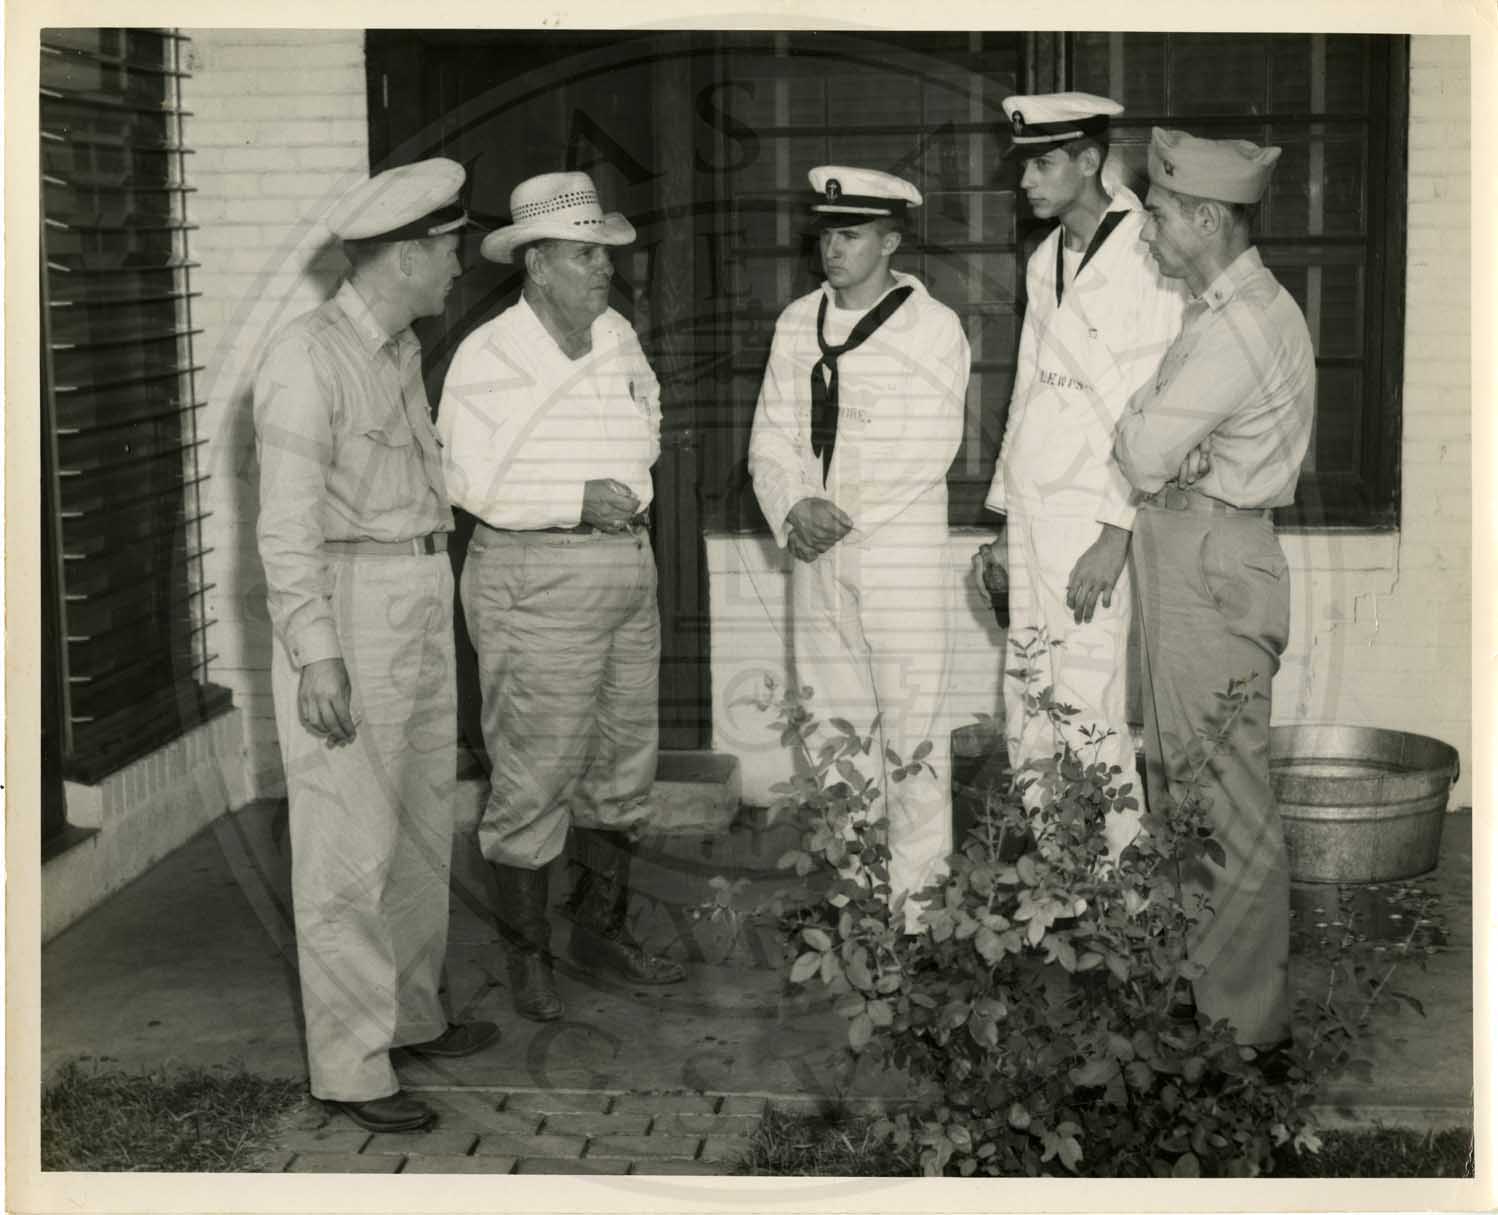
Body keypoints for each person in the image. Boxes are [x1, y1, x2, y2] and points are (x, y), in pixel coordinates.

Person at [254, 159, 499, 1134]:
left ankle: (409, 1015)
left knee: (419, 825)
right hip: (349, 606)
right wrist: (316, 651)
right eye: (446, 250)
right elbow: (285, 526)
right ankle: (352, 1068)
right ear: (405, 256)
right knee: (346, 844)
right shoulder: (303, 359)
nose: (455, 267)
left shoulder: (395, 350)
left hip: (416, 591)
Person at [438, 171, 684, 1024]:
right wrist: (574, 498)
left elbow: (648, 419)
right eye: (586, 254)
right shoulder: (490, 355)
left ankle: (600, 932)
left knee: (624, 764)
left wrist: (620, 493)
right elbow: (465, 477)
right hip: (535, 577)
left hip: (626, 569)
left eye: (605, 253)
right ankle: (530, 957)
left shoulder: (616, 333)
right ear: (537, 263)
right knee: (534, 772)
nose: (605, 267)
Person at [1114, 127, 1314, 1051]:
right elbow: (1147, 440)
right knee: (1179, 785)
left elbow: (1141, 447)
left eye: (1158, 214)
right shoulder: (1216, 311)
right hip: (1186, 543)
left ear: (1205, 217)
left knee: (1222, 796)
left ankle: (1246, 1038)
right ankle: (1205, 999)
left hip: (1211, 555)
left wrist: (1159, 439)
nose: (1146, 229)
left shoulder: (1240, 323)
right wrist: (1157, 438)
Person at [749, 165, 971, 928]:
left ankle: (917, 913)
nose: (833, 249)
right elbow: (770, 437)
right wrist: (792, 507)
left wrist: (834, 511)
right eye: (826, 234)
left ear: (891, 241)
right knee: (832, 723)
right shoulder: (796, 322)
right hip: (816, 551)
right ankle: (858, 895)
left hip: (895, 549)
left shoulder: (932, 328)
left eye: (851, 235)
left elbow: (929, 446)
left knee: (912, 728)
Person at [976, 92, 1186, 861]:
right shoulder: (1044, 259)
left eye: (1043, 164)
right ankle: (1057, 871)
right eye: (1024, 166)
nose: (1026, 181)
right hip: (1034, 505)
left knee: (1088, 701)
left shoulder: (1148, 254)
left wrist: (1115, 530)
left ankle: (1119, 887)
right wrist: (1006, 520)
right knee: (1027, 694)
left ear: (1090, 161)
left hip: (1093, 514)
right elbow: (1027, 391)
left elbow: (1153, 407)